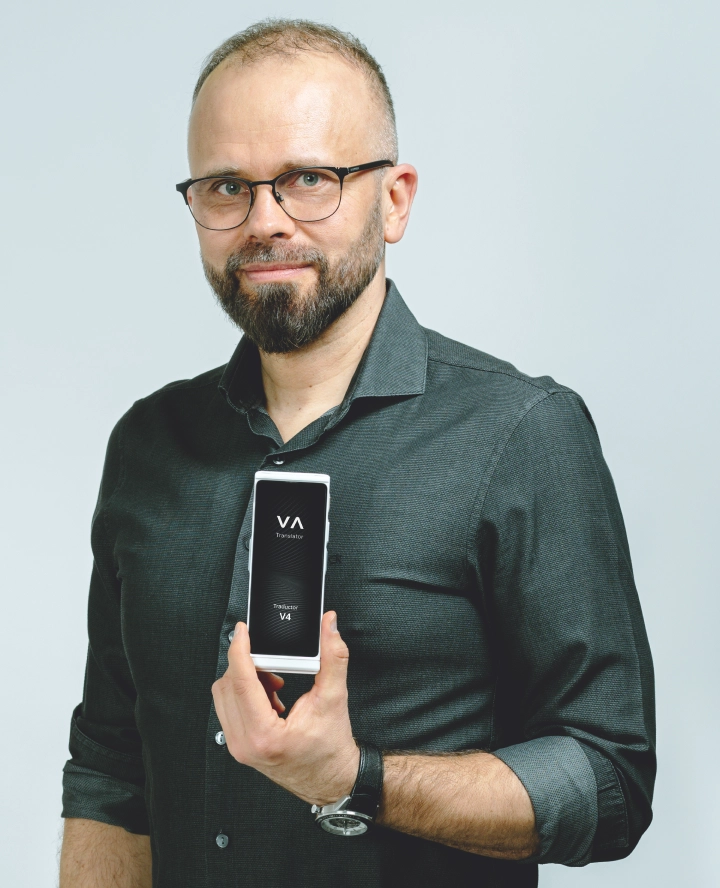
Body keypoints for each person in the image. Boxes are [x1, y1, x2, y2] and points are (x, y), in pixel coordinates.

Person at [59, 18, 656, 888]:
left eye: (309, 179)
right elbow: (111, 769)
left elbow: (609, 783)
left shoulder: (522, 432)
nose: (264, 222)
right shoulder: (149, 444)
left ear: (396, 198)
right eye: (227, 187)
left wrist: (355, 779)